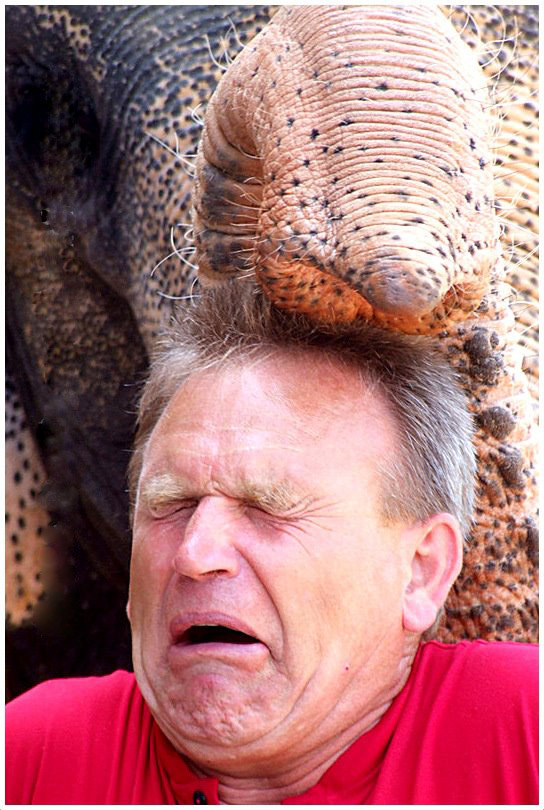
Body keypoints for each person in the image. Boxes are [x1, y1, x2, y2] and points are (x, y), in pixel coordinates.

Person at [6, 285, 538, 805]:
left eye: (267, 507)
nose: (195, 554)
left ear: (421, 572)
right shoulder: (31, 760)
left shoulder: (524, 734)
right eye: (173, 504)